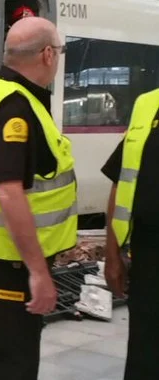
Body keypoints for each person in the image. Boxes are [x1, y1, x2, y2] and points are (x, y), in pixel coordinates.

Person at [0, 17, 75, 380]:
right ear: (47, 54)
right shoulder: (16, 107)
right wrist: (38, 272)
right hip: (12, 260)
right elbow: (9, 191)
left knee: (4, 351)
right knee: (11, 361)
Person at [102, 87, 159, 380]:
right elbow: (120, 181)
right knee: (144, 354)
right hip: (148, 258)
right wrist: (111, 255)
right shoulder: (147, 105)